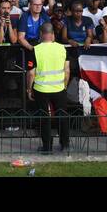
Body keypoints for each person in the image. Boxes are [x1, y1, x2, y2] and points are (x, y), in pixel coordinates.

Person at [29, 22, 71, 154]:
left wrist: (29, 89)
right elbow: (67, 70)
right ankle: (65, 144)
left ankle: (47, 146)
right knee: (62, 116)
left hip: (41, 89)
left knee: (43, 118)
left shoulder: (35, 49)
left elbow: (31, 73)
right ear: (53, 35)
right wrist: (64, 85)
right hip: (59, 88)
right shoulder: (62, 48)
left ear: (41, 34)